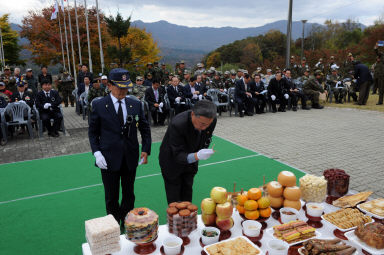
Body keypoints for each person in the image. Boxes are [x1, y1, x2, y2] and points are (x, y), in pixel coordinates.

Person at [88, 68, 151, 226]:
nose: (123, 91)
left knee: (129, 193)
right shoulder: (100, 105)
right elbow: (93, 133)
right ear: (109, 85)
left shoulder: (135, 104)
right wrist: (97, 153)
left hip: (130, 156)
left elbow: (145, 128)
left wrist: (145, 150)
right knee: (111, 195)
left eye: (126, 87)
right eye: (119, 87)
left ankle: (127, 220)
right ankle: (114, 222)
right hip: (108, 158)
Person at [159, 100, 216, 203]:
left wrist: (204, 149)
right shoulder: (178, 124)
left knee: (187, 193)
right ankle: (174, 219)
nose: (204, 128)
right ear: (193, 114)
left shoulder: (211, 120)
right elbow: (177, 154)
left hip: (191, 163)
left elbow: (206, 137)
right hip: (172, 162)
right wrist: (197, 155)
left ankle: (187, 218)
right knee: (174, 199)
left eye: (208, 124)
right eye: (202, 124)